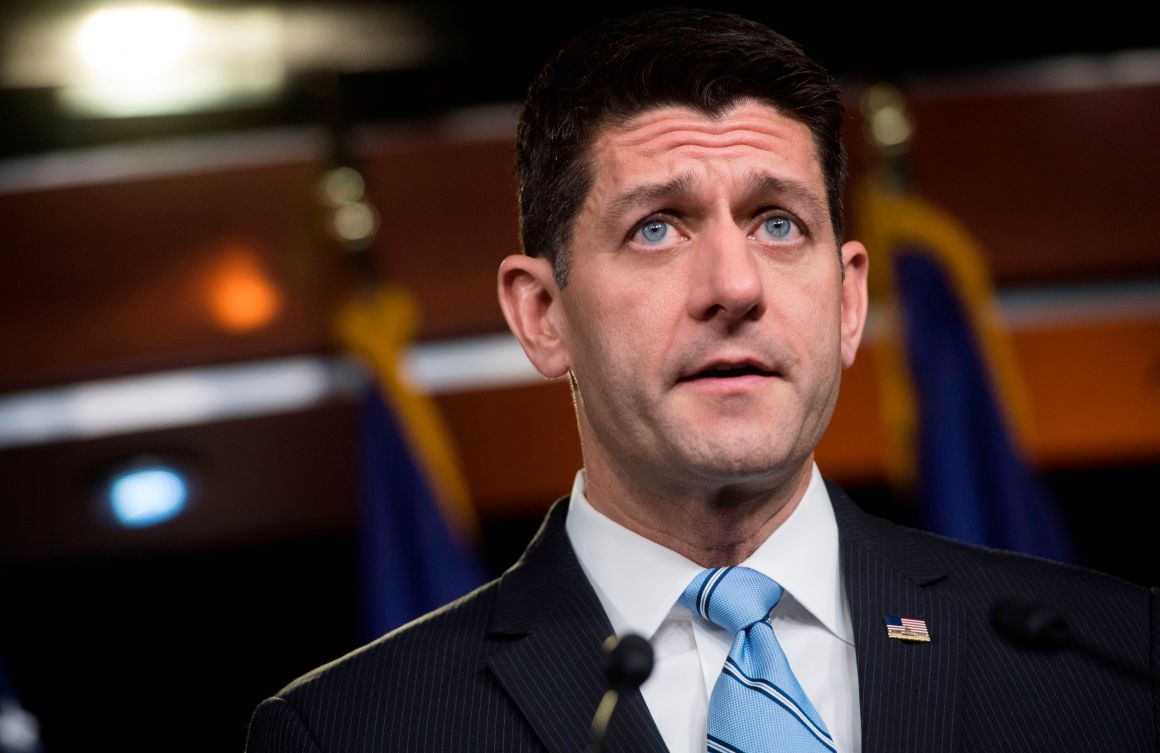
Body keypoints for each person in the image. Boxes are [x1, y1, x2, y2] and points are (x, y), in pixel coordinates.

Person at [247, 9, 1156, 753]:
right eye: (657, 227)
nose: (734, 287)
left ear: (847, 302)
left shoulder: (1114, 663)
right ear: (541, 314)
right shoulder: (355, 733)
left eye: (776, 224)